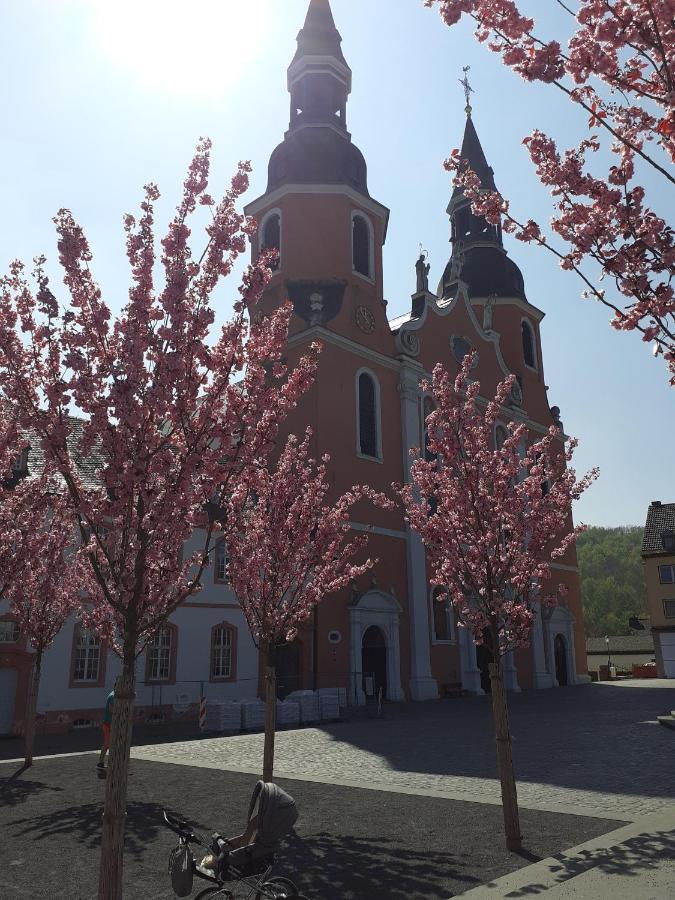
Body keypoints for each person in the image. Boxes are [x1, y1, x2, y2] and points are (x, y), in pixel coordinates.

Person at [97, 689, 114, 778]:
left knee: (108, 743)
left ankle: (101, 762)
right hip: (108, 723)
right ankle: (102, 762)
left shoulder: (112, 694)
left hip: (109, 723)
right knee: (108, 743)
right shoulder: (113, 696)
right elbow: (111, 709)